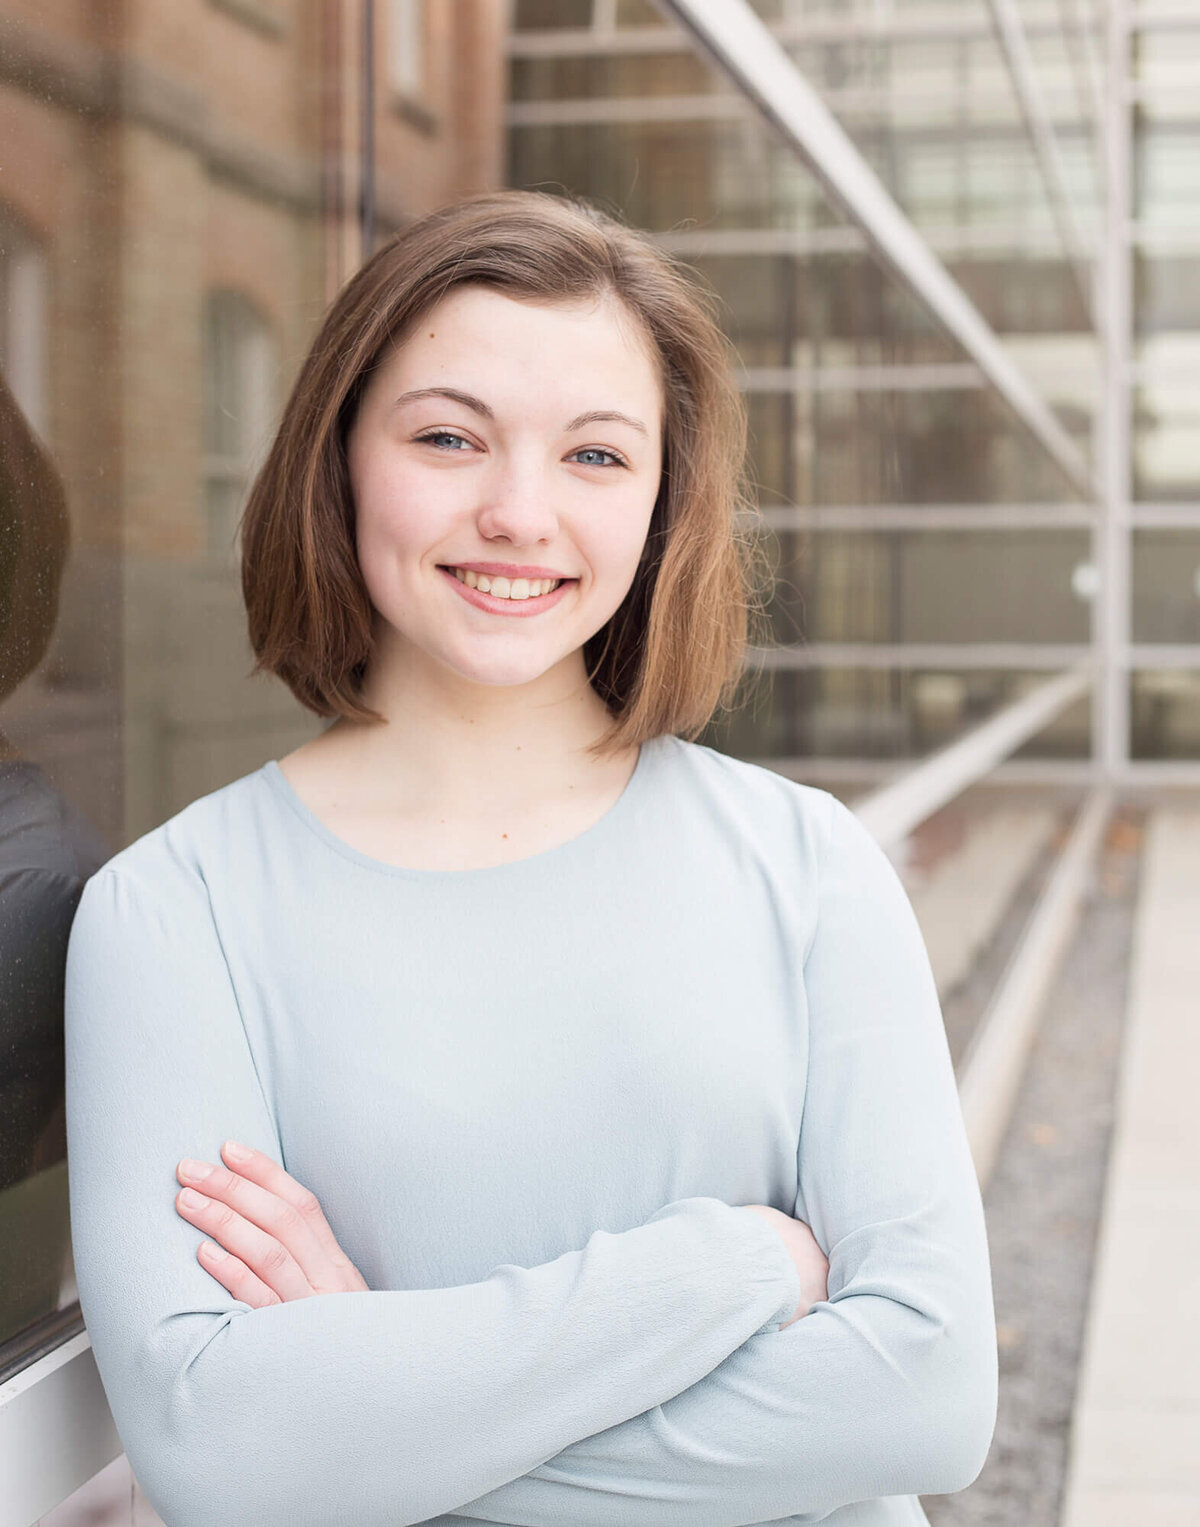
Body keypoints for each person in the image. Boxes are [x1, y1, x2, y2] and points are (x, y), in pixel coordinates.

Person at [64, 188, 998, 1527]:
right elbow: (216, 1451)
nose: (517, 511)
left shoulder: (808, 865)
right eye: (449, 436)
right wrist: (722, 1270)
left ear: (665, 502)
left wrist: (384, 1405)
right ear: (339, 457)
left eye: (596, 457)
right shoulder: (172, 914)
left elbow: (928, 1394)